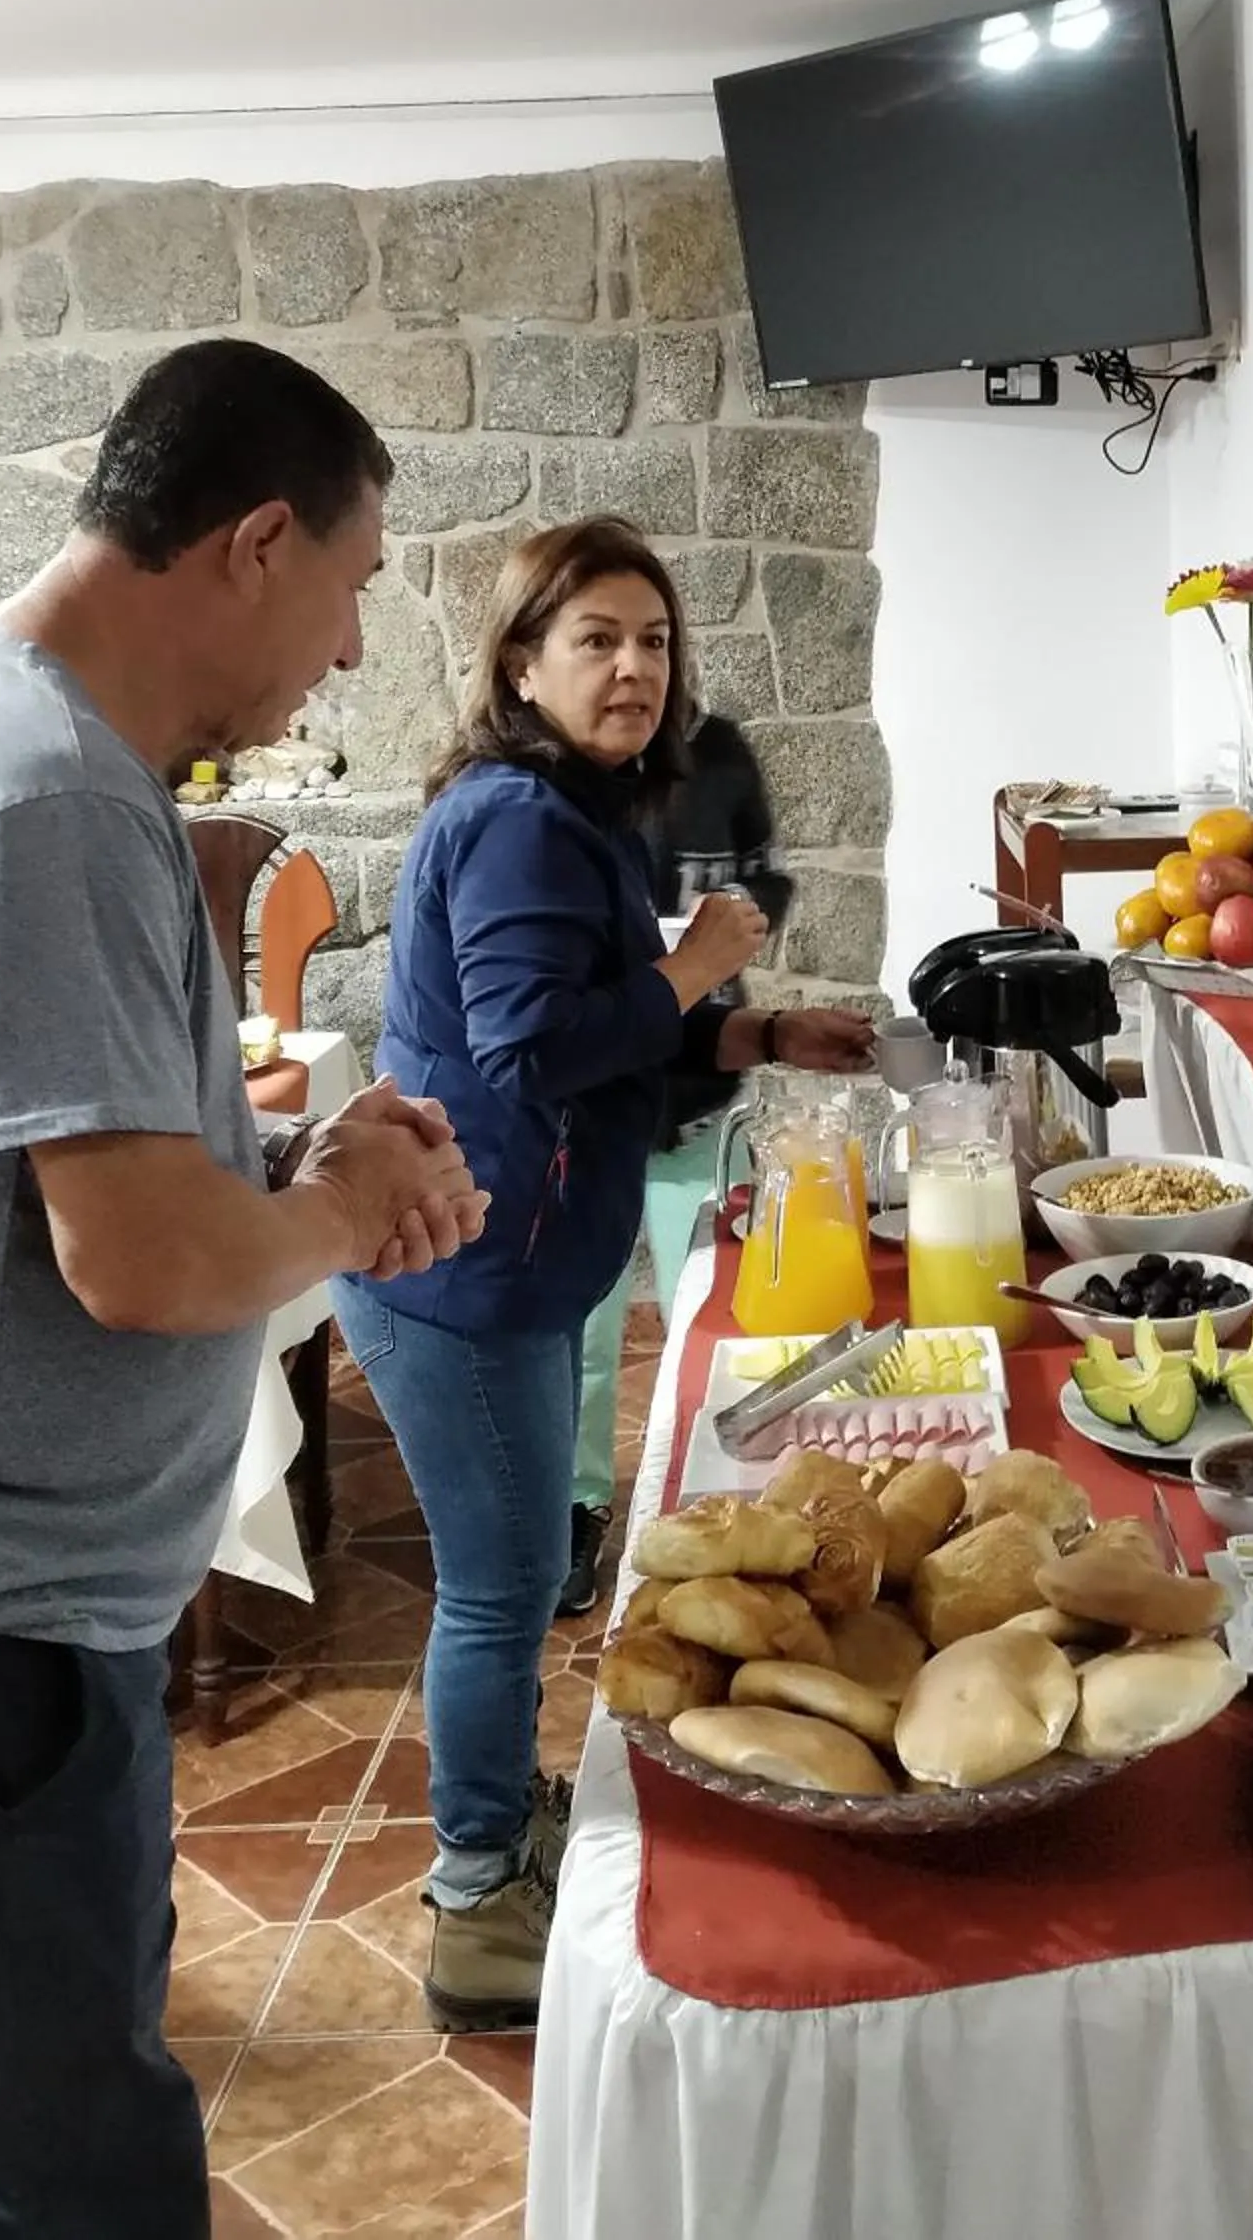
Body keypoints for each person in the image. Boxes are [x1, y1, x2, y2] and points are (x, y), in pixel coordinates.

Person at [0, 337, 488, 2240]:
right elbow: (144, 1262)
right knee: (66, 2201)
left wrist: (311, 1177)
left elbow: (95, 1197)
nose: (349, 651)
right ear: (256, 541)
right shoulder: (44, 795)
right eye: (352, 585)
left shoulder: (43, 750)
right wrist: (338, 1219)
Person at [339, 514, 874, 2030]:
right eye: (596, 640)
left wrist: (757, 1031)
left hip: (493, 1249)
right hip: (457, 1267)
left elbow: (595, 1029)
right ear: (521, 660)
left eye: (651, 640)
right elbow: (529, 1040)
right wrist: (701, 967)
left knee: (507, 1590)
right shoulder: (516, 815)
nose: (633, 666)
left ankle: (499, 1822)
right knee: (501, 1596)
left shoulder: (565, 806)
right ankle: (472, 1903)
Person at [557, 704, 794, 1617]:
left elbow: (765, 876)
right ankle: (578, 1509)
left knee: (721, 1326)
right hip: (598, 1121)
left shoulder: (725, 755)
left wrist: (739, 919)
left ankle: (724, 1512)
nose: (636, 677)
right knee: (586, 1336)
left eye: (655, 647)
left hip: (699, 1105)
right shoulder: (566, 801)